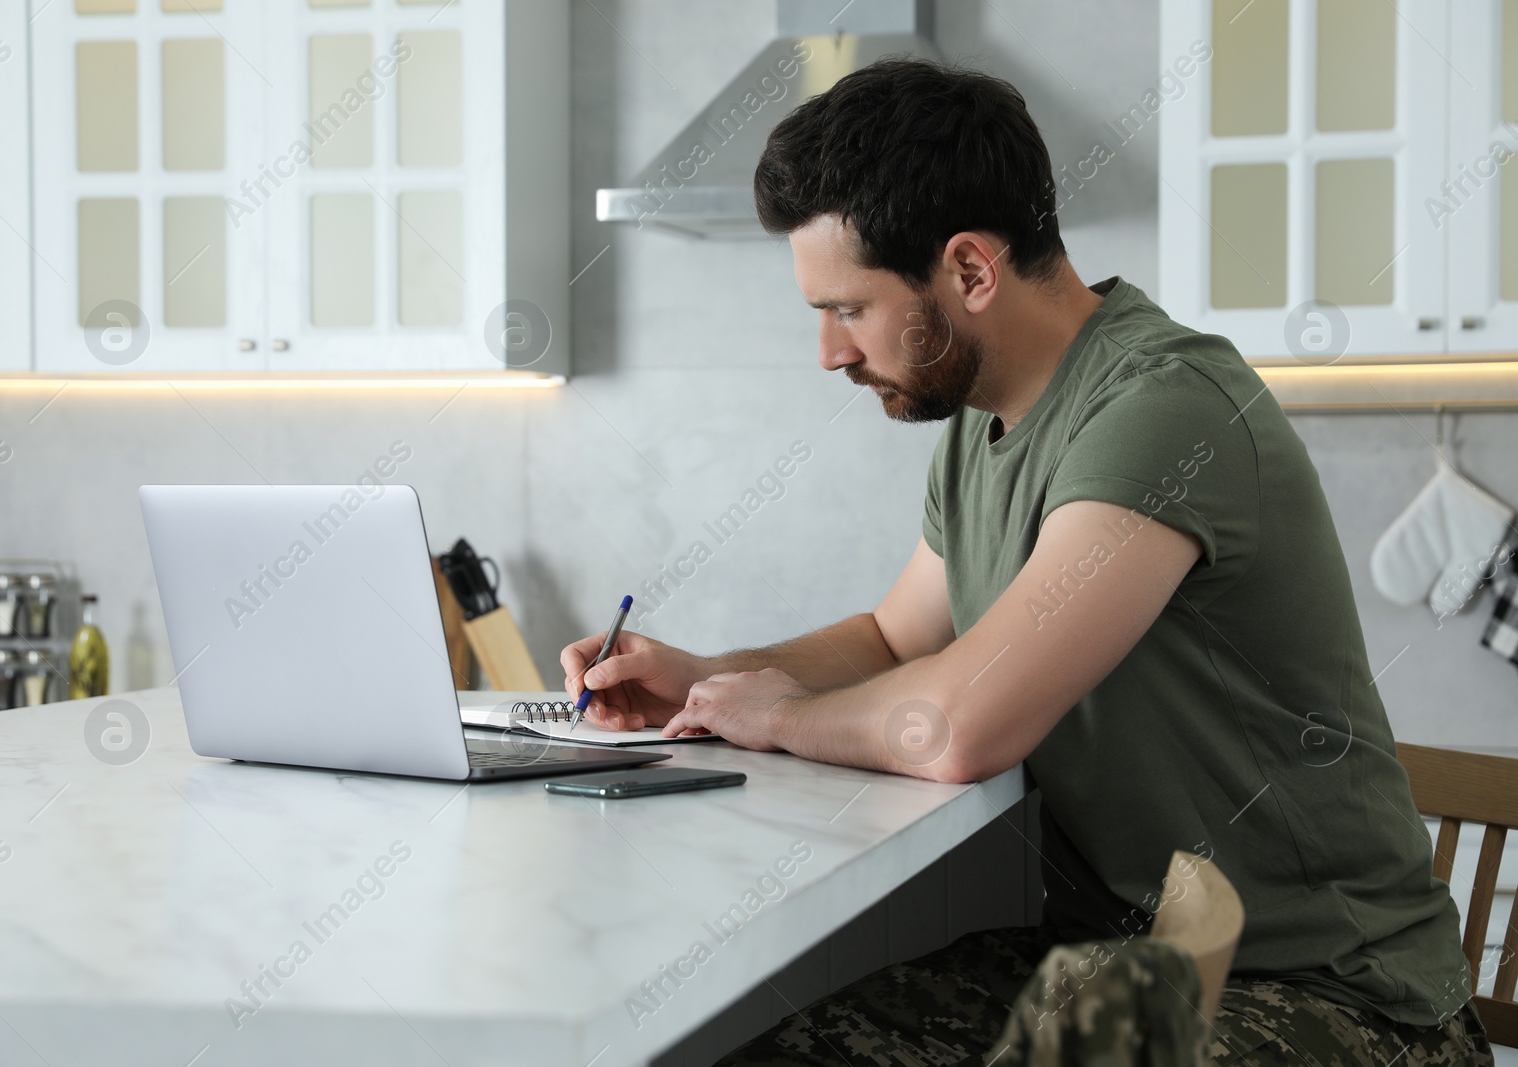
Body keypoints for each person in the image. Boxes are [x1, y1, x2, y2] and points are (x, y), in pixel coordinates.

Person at [561, 59, 1491, 1065]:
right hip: (1113, 956)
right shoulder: (985, 420)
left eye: (848, 309)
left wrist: (776, 715)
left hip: (1337, 996)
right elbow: (892, 637)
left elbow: (958, 726)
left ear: (968, 271)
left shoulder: (1161, 408)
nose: (830, 353)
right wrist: (699, 678)